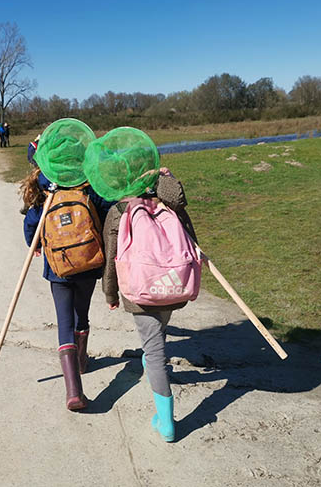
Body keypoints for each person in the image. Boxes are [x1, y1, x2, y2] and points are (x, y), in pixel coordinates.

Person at [83, 127, 198, 442]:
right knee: (157, 337)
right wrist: (165, 177)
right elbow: (181, 205)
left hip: (140, 290)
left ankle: (167, 422)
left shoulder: (119, 210)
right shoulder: (166, 203)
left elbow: (111, 259)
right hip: (173, 285)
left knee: (155, 350)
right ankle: (153, 369)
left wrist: (110, 293)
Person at [21, 118, 112, 411]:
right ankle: (82, 361)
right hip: (88, 264)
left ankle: (73, 389)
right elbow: (106, 212)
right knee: (80, 315)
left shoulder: (44, 187)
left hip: (57, 267)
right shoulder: (88, 186)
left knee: (63, 321)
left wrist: (36, 245)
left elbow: (31, 228)